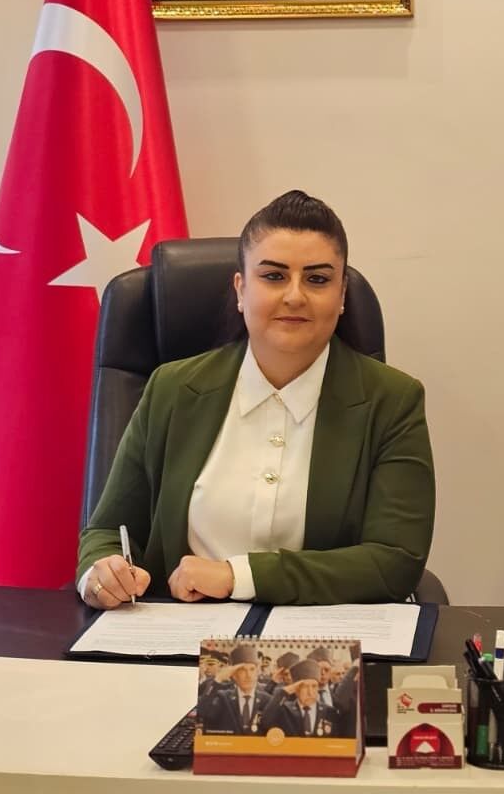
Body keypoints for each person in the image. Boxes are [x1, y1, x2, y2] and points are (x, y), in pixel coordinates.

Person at [77, 190, 435, 607]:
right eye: (274, 276)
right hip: (180, 631)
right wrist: (102, 573)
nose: (295, 296)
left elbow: (394, 561)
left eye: (317, 279)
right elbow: (108, 531)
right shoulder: (171, 389)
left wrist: (238, 576)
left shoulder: (393, 400)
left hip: (323, 637)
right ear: (241, 289)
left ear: (341, 297)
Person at [199, 644, 272, 734]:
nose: (248, 675)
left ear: (257, 673)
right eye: (242, 670)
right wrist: (218, 679)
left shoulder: (267, 700)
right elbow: (201, 712)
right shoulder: (224, 698)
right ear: (234, 674)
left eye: (252, 669)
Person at [266, 659, 343, 737]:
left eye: (314, 686)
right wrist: (284, 692)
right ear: (296, 689)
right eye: (305, 687)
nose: (310, 692)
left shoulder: (329, 712)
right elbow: (265, 722)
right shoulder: (285, 711)